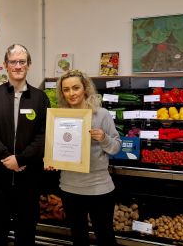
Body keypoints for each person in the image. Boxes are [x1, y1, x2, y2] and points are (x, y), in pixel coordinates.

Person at [0, 43, 50, 246]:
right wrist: (7, 158)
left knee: (26, 232)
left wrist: (21, 159)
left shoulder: (40, 98)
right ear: (5, 65)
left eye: (22, 62)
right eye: (13, 62)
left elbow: (44, 134)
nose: (18, 66)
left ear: (28, 65)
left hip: (29, 180)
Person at [55, 69, 120, 246]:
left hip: (99, 188)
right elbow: (55, 147)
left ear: (85, 88)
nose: (71, 93)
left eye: (75, 88)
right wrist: (51, 160)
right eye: (66, 90)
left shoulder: (102, 114)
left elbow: (116, 147)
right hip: (70, 188)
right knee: (78, 238)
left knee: (105, 237)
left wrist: (104, 138)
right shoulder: (59, 116)